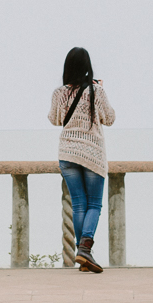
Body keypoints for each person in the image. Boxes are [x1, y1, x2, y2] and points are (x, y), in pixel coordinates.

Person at [48, 47, 115, 273]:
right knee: (94, 204)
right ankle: (85, 248)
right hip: (92, 154)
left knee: (79, 204)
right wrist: (100, 90)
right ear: (88, 67)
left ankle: (83, 254)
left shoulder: (59, 93)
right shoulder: (97, 91)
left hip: (67, 153)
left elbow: (54, 120)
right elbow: (110, 118)